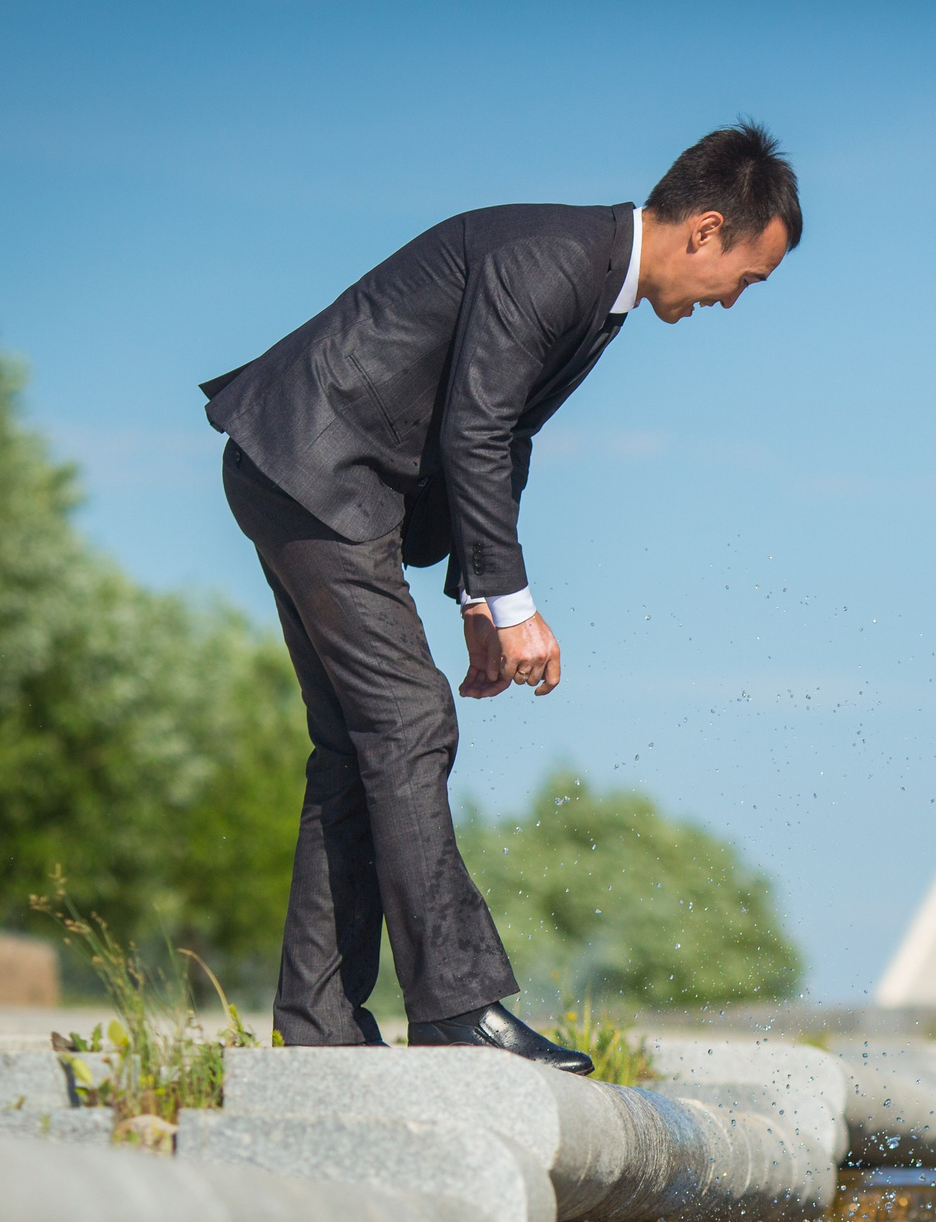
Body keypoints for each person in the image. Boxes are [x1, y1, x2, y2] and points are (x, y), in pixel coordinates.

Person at [204, 124, 801, 1065]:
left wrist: (477, 601)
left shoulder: (595, 284)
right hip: (317, 467)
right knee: (410, 720)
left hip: (303, 469)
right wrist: (515, 609)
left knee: (362, 742)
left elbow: (498, 433)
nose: (731, 300)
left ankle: (319, 1028)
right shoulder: (555, 262)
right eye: (746, 279)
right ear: (706, 231)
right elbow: (477, 429)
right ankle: (454, 1011)